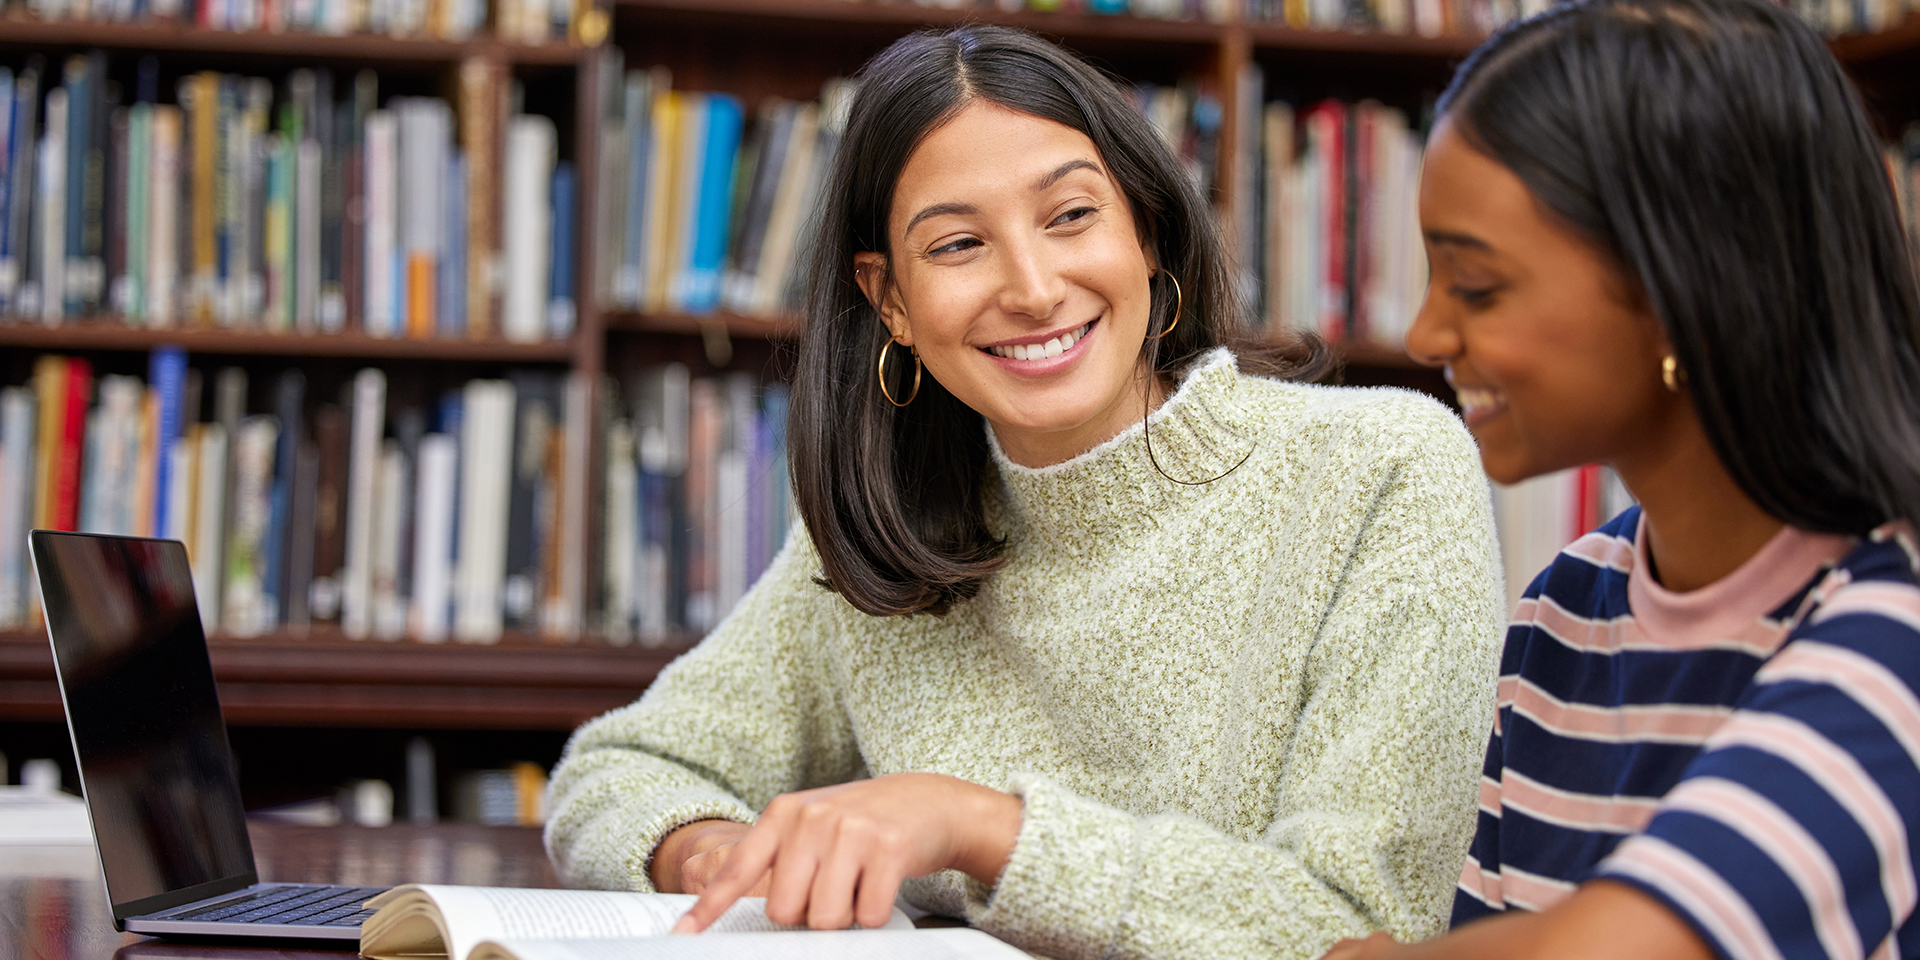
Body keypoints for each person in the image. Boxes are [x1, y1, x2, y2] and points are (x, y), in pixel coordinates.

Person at [546, 25, 1505, 960]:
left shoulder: (1382, 466)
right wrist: (720, 854)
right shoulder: (889, 537)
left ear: (1148, 234)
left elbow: (1363, 927)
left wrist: (976, 828)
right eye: (959, 244)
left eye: (1072, 215)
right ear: (892, 304)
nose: (1035, 287)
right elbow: (621, 768)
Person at [1323, 0, 1920, 958]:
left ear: (1688, 290)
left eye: (1476, 286)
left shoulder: (1895, 629)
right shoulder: (1559, 614)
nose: (1428, 335)